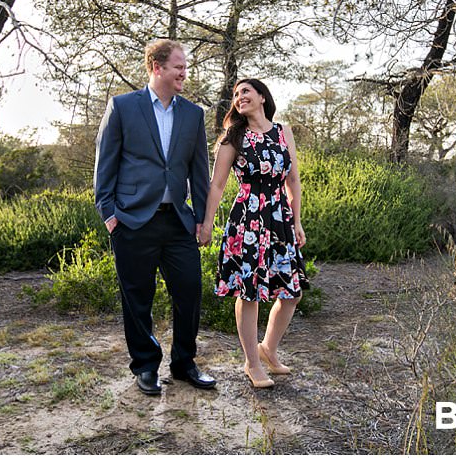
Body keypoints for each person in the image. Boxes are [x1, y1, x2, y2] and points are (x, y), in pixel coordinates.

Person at [94, 39, 216, 396]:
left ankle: (183, 363)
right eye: (179, 66)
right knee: (137, 297)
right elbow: (106, 165)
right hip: (133, 221)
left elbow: (199, 172)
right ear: (156, 67)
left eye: (185, 67)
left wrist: (204, 220)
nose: (184, 73)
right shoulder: (122, 107)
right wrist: (110, 215)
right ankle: (145, 366)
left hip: (178, 221)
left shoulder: (193, 114)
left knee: (190, 290)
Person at [197, 78, 308, 388]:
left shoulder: (283, 131)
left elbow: (293, 181)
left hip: (280, 220)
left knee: (292, 293)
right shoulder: (234, 137)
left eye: (245, 91)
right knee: (250, 293)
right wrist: (207, 224)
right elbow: (216, 185)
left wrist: (297, 222)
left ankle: (268, 349)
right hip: (248, 219)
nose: (239, 96)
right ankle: (252, 361)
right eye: (235, 94)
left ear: (262, 96)